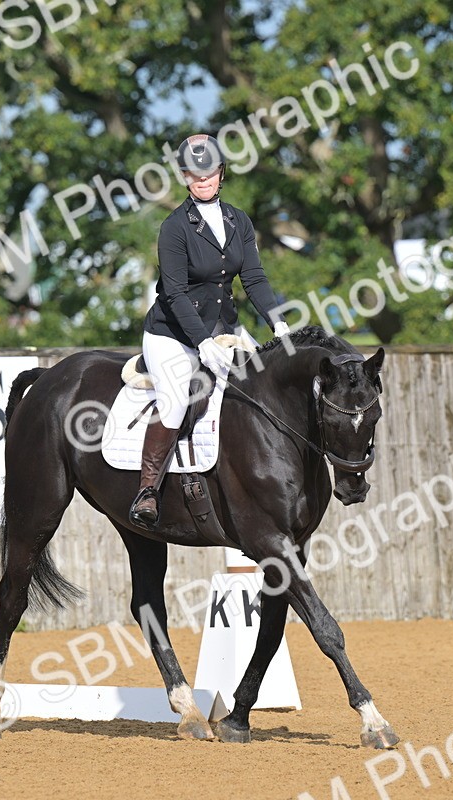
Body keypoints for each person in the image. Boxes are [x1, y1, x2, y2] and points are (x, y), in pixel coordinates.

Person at [129, 133, 291, 528]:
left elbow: (253, 277)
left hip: (225, 327)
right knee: (175, 398)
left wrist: (278, 322)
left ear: (222, 172)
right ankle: (148, 490)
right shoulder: (174, 228)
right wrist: (200, 343)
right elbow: (176, 292)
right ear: (185, 177)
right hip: (173, 334)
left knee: (267, 381)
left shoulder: (240, 220)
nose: (202, 180)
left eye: (209, 172)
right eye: (194, 174)